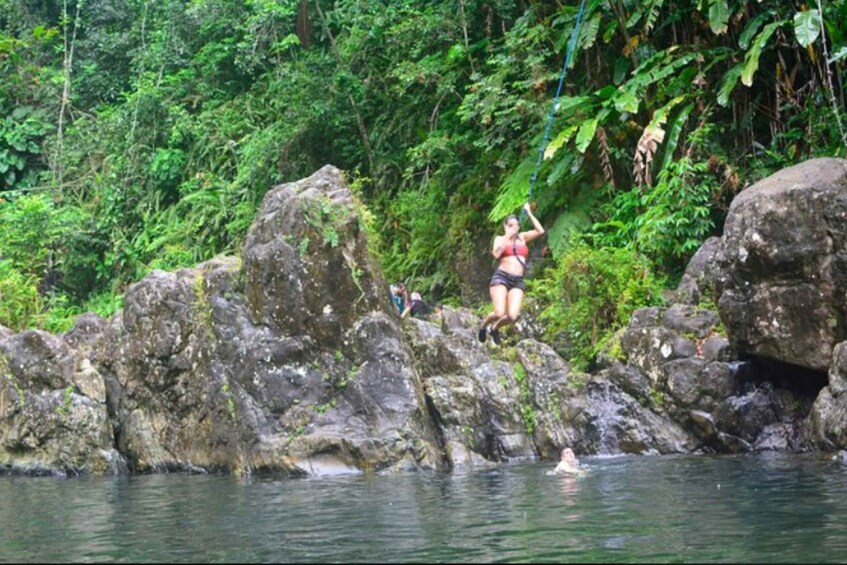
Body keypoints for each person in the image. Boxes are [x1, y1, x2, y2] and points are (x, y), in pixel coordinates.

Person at [478, 202, 545, 345]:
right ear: (505, 226)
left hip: (517, 280)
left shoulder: (523, 237)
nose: (514, 228)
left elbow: (540, 231)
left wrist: (529, 212)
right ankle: (483, 326)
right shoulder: (499, 239)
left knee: (513, 316)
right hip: (501, 277)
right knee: (499, 312)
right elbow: (496, 254)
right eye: (510, 225)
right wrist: (507, 236)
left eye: (516, 225)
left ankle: (494, 328)